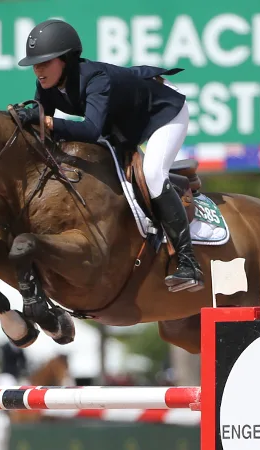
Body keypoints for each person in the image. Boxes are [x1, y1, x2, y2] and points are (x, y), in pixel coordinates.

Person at [13, 19, 203, 292]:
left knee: (152, 174)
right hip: (124, 124)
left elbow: (90, 130)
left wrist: (49, 123)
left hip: (162, 112)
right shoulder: (47, 86)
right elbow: (45, 132)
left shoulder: (95, 79)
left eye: (44, 62)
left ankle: (188, 263)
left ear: (65, 60)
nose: (38, 70)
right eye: (35, 63)